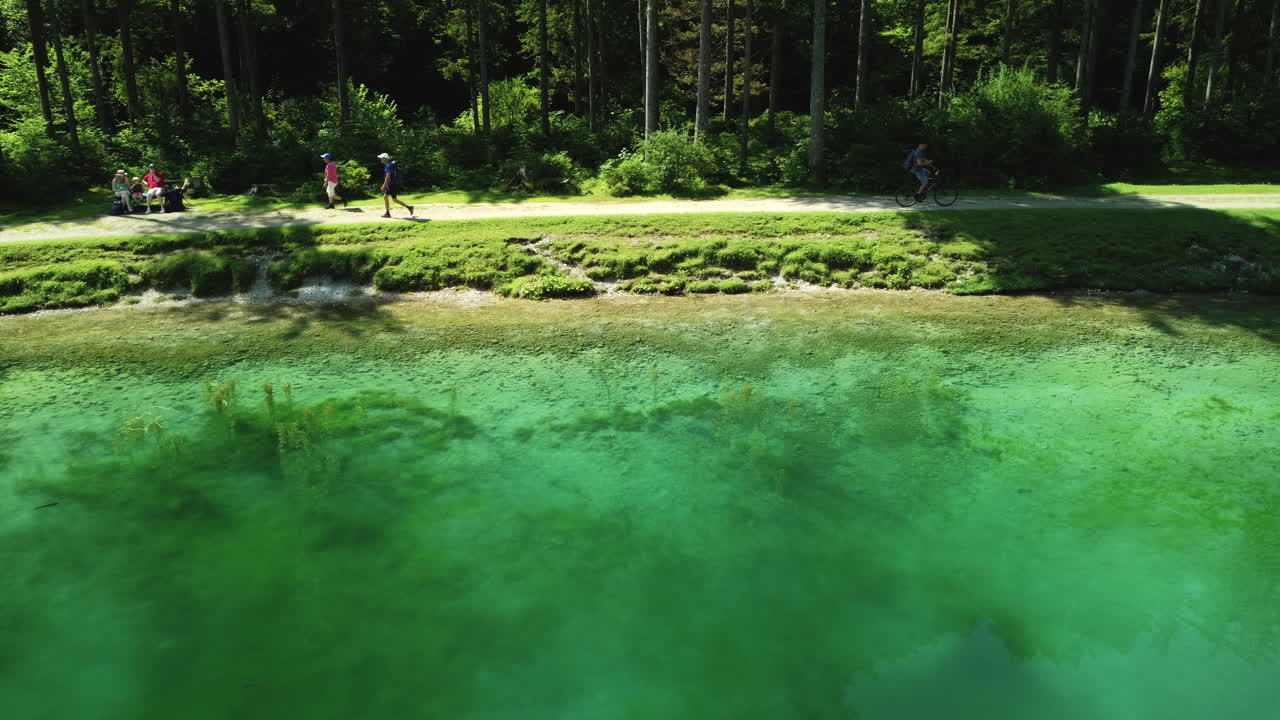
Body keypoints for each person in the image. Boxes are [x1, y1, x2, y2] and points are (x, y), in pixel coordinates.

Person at [377, 152, 413, 218]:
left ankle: (387, 213)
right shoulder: (388, 165)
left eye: (381, 158)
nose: (380, 159)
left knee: (385, 197)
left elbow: (388, 176)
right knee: (394, 199)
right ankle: (409, 207)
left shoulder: (389, 165)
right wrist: (386, 185)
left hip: (392, 184)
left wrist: (384, 185)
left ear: (385, 159)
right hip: (393, 184)